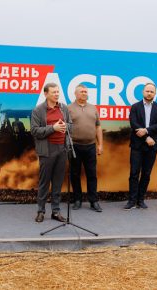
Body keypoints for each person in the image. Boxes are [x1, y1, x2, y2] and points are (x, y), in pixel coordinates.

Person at [31, 83, 72, 223]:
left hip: (62, 149)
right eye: (53, 92)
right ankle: (41, 211)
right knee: (44, 183)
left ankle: (56, 211)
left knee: (58, 182)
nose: (56, 94)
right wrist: (53, 128)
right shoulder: (38, 110)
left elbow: (71, 125)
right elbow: (35, 131)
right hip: (47, 150)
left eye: (57, 92)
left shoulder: (63, 108)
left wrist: (66, 127)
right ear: (46, 94)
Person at [124, 83, 157, 210]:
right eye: (147, 91)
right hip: (137, 145)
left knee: (146, 174)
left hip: (152, 145)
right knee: (134, 173)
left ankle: (140, 200)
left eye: (152, 91)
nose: (149, 93)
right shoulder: (135, 107)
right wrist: (146, 137)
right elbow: (133, 123)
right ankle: (131, 201)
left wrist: (146, 131)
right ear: (143, 92)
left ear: (154, 93)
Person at [68, 84, 103, 212]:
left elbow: (98, 127)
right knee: (75, 174)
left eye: (86, 92)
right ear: (75, 94)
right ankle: (77, 200)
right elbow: (64, 128)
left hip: (90, 146)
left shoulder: (93, 108)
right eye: (82, 91)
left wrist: (100, 145)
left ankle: (93, 201)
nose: (84, 93)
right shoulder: (68, 108)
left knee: (92, 174)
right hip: (74, 146)